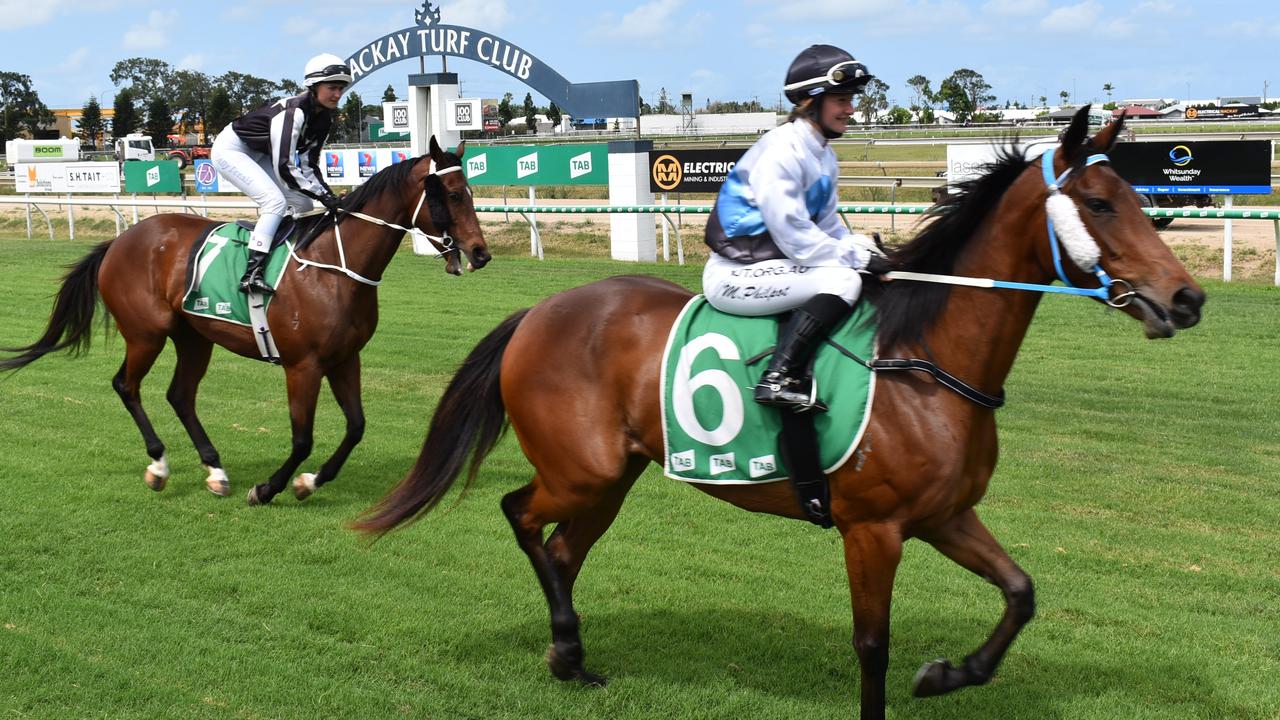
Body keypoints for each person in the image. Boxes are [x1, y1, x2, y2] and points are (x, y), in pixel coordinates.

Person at [703, 44, 889, 413]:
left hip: (774, 265)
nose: (851, 109)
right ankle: (777, 377)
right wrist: (856, 260)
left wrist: (867, 251)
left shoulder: (823, 155)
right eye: (840, 99)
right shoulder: (781, 152)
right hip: (734, 275)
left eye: (851, 98)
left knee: (863, 267)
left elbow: (829, 228)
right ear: (810, 101)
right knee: (844, 280)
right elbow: (798, 240)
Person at [210, 53, 350, 295]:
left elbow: (308, 164)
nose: (338, 94)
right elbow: (285, 166)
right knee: (274, 202)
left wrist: (326, 194)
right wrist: (324, 197)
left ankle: (281, 255)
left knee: (303, 203)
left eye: (341, 88)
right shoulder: (293, 112)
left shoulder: (324, 119)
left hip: (260, 154)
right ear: (313, 87)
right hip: (231, 150)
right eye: (332, 88)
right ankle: (252, 273)